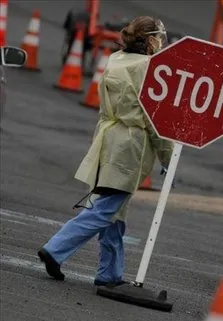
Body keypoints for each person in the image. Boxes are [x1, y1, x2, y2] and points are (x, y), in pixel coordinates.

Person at [37, 16, 174, 285]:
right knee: (106, 208)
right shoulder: (149, 68)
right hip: (131, 145)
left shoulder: (117, 60)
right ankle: (55, 249)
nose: (162, 43)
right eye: (159, 37)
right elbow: (154, 119)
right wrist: (168, 157)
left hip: (109, 136)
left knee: (114, 213)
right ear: (149, 40)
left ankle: (109, 274)